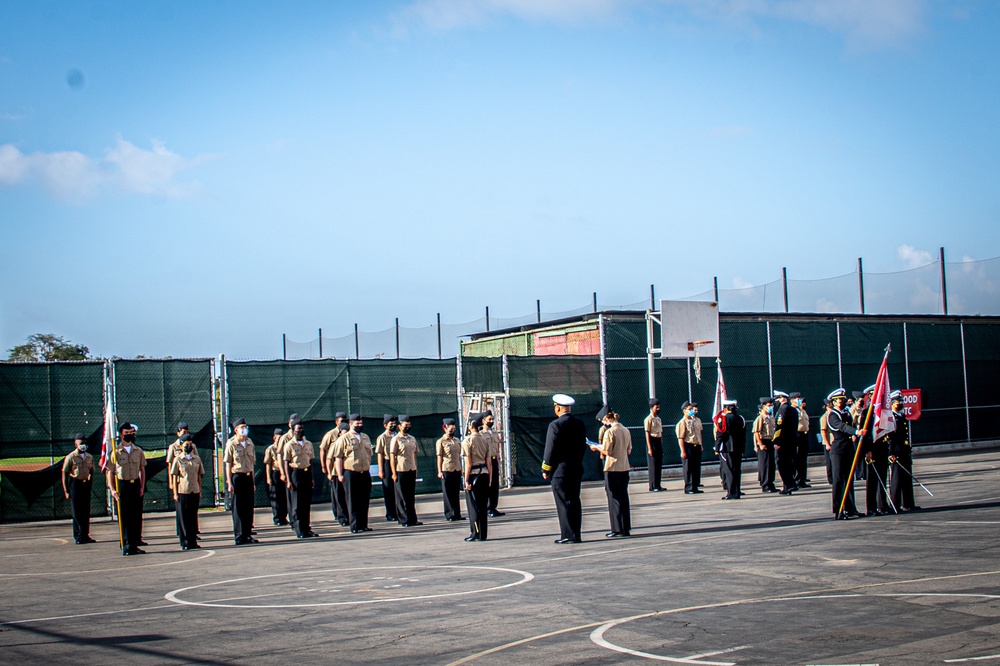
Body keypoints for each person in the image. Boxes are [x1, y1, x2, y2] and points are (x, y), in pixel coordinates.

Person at [541, 394, 587, 544]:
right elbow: (582, 446)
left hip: (561, 470)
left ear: (558, 408)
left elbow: (550, 449)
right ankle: (576, 533)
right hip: (576, 467)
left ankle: (568, 535)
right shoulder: (579, 424)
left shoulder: (555, 425)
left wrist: (546, 468)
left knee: (563, 502)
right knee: (574, 501)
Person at [590, 406, 631, 538]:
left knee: (614, 498)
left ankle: (617, 528)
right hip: (624, 467)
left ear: (607, 419)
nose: (603, 423)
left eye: (603, 421)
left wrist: (596, 448)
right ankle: (625, 527)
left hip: (612, 468)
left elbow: (608, 452)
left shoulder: (609, 432)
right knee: (624, 497)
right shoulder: (625, 430)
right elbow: (629, 450)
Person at [107, 422, 146, 555]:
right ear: (121, 434)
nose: (129, 435)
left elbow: (142, 469)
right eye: (126, 433)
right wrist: (112, 489)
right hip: (122, 485)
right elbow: (109, 471)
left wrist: (141, 486)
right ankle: (126, 544)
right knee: (124, 517)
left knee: (135, 516)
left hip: (134, 484)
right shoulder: (116, 452)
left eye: (131, 433)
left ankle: (134, 544)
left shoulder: (138, 451)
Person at [330, 414, 373, 533]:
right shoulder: (344, 439)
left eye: (361, 423)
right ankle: (354, 525)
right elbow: (338, 457)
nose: (360, 426)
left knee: (364, 499)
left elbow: (369, 454)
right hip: (351, 473)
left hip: (364, 472)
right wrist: (340, 474)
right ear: (350, 425)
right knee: (352, 500)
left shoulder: (365, 437)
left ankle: (363, 524)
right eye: (357, 424)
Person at [827, 388, 865, 520]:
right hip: (838, 450)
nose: (841, 401)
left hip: (848, 448)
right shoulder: (833, 415)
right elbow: (842, 426)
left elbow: (851, 423)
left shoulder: (847, 413)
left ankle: (850, 508)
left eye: (843, 399)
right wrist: (855, 432)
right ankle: (838, 510)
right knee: (838, 480)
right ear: (833, 402)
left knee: (849, 479)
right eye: (839, 400)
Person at [282, 418, 318, 538]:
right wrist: (288, 480)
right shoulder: (289, 445)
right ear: (293, 431)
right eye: (298, 429)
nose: (301, 431)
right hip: (295, 473)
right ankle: (299, 529)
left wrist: (312, 478)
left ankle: (307, 528)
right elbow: (286, 462)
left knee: (306, 503)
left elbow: (311, 461)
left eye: (302, 428)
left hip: (306, 472)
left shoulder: (308, 444)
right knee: (297, 504)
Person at [224, 417, 257, 545]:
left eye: (245, 427)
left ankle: (247, 534)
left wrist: (253, 482)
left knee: (248, 507)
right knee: (238, 507)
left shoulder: (250, 443)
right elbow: (228, 464)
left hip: (248, 476)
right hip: (237, 476)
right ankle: (239, 536)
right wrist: (229, 482)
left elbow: (252, 464)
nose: (244, 430)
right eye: (241, 428)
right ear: (236, 430)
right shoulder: (231, 444)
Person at [888, 390, 921, 512]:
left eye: (901, 401)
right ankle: (895, 505)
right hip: (896, 452)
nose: (900, 403)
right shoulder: (890, 417)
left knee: (907, 478)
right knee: (896, 479)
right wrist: (891, 452)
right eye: (898, 402)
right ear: (891, 403)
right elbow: (890, 437)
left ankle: (908, 503)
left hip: (904, 450)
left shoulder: (901, 416)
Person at [170, 434, 203, 550]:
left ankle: (192, 540)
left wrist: (200, 490)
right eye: (186, 445)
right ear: (181, 446)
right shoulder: (178, 459)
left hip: (194, 490)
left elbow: (199, 475)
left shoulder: (196, 459)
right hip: (183, 490)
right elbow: (174, 476)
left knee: (193, 517)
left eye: (190, 445)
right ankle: (184, 541)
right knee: (184, 517)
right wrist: (175, 492)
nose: (189, 447)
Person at [62, 432, 95, 544]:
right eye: (81, 443)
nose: (83, 445)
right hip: (75, 484)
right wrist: (66, 490)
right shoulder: (71, 457)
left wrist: (90, 485)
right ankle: (78, 535)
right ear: (76, 444)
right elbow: (64, 473)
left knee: (86, 511)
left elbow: (91, 471)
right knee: (77, 512)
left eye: (85, 443)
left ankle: (85, 534)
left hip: (85, 484)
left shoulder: (89, 457)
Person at [462, 415, 491, 541]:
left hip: (474, 474)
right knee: (483, 506)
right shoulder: (485, 440)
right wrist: (490, 477)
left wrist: (466, 479)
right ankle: (483, 534)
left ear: (470, 426)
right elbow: (488, 461)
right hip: (484, 473)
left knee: (473, 506)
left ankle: (475, 532)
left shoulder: (467, 441)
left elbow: (468, 463)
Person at [390, 414, 422, 527]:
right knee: (401, 496)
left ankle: (413, 518)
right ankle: (404, 519)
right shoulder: (396, 439)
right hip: (400, 470)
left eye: (409, 425)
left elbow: (414, 455)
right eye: (405, 425)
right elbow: (392, 457)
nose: (407, 427)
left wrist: (416, 469)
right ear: (399, 426)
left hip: (411, 469)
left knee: (410, 496)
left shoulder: (412, 439)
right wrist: (393, 473)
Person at [321, 412, 350, 526]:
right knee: (337, 495)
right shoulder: (331, 435)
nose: (343, 422)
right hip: (334, 470)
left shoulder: (349, 436)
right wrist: (325, 468)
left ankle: (348, 515)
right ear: (336, 422)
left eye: (345, 420)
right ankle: (341, 516)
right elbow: (324, 451)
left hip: (347, 469)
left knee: (346, 494)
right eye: (341, 421)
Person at [715, 400, 746, 500]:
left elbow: (720, 435)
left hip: (727, 448)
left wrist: (717, 448)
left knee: (729, 471)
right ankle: (737, 491)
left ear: (725, 408)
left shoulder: (723, 419)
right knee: (737, 470)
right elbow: (743, 435)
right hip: (738, 448)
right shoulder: (740, 418)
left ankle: (731, 492)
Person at [436, 418, 464, 522]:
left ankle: (457, 513)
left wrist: (461, 468)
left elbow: (459, 456)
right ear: (445, 428)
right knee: (448, 493)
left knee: (456, 493)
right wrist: (439, 471)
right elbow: (439, 456)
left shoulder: (457, 441)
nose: (452, 431)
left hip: (456, 468)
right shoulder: (441, 441)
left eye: (454, 429)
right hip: (446, 469)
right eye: (450, 429)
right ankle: (450, 514)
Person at [772, 391, 799, 495]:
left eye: (778, 399)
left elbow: (780, 427)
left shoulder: (782, 410)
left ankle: (789, 484)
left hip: (783, 441)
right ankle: (789, 485)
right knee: (789, 463)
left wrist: (777, 441)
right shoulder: (793, 410)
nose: (776, 401)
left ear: (782, 398)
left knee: (781, 464)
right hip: (792, 440)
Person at [375, 415, 399, 522]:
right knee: (388, 489)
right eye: (391, 424)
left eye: (394, 423)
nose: (393, 425)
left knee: (398, 489)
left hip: (399, 463)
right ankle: (390, 513)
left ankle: (400, 511)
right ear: (385, 425)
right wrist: (381, 470)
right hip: (387, 463)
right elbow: (380, 454)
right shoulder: (382, 438)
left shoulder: (398, 436)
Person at [676, 401, 703, 494]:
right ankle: (689, 487)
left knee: (696, 467)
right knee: (688, 468)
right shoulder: (682, 422)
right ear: (684, 410)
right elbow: (681, 438)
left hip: (696, 445)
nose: (692, 411)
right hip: (688, 446)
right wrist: (683, 451)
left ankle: (695, 486)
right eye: (689, 409)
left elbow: (699, 433)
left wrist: (701, 444)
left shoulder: (695, 421)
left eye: (692, 409)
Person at [263, 428, 289, 525]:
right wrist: (268, 477)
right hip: (275, 473)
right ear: (274, 438)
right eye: (279, 438)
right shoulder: (271, 449)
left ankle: (284, 517)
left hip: (285, 474)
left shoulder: (286, 448)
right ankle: (277, 518)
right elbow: (268, 464)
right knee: (276, 497)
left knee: (284, 497)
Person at [482, 410, 505, 517]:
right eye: (489, 419)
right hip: (486, 461)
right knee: (487, 484)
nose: (491, 421)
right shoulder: (481, 434)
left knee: (495, 484)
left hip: (494, 460)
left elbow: (496, 449)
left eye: (492, 419)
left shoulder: (494, 433)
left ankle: (493, 507)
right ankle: (487, 507)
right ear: (483, 421)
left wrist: (498, 462)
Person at [753, 398, 777, 493]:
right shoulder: (760, 418)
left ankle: (771, 483)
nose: (770, 407)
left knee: (771, 464)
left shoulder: (771, 417)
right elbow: (756, 432)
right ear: (763, 406)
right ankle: (765, 484)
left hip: (771, 441)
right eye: (768, 405)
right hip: (764, 442)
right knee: (765, 465)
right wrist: (760, 444)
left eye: (771, 405)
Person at [791, 393, 811, 488]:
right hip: (796, 435)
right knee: (796, 459)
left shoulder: (802, 410)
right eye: (796, 399)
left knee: (803, 459)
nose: (799, 401)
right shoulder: (791, 411)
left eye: (799, 399)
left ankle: (802, 479)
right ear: (792, 400)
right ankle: (796, 479)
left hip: (804, 435)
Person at [644, 398, 665, 491]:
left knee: (658, 463)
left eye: (659, 407)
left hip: (658, 441)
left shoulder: (658, 419)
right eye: (656, 407)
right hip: (652, 441)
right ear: (652, 407)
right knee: (653, 464)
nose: (658, 408)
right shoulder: (648, 419)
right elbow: (647, 433)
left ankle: (658, 484)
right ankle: (652, 485)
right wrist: (649, 447)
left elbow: (660, 432)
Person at [819, 399, 834, 484]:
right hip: (829, 441)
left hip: (835, 441)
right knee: (830, 461)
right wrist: (827, 443)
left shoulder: (834, 416)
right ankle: (830, 478)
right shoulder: (825, 417)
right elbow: (823, 431)